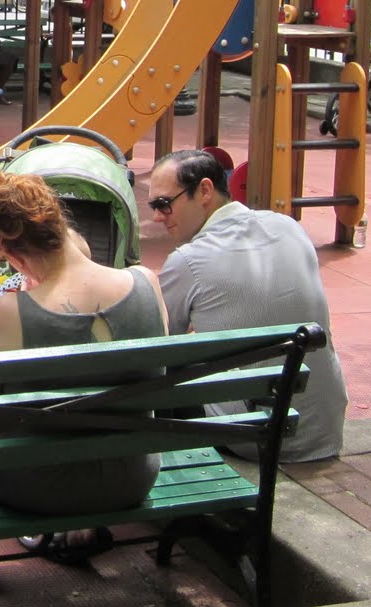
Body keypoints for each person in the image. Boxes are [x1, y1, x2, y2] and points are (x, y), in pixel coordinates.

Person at [0, 173, 169, 569]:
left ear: (11, 255)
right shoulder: (147, 283)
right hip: (132, 476)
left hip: (35, 486)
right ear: (62, 225)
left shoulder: (12, 311)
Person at [147, 149, 349, 462]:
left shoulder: (188, 260)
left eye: (164, 204)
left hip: (259, 438)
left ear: (205, 190)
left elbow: (156, 342)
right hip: (323, 428)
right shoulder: (289, 227)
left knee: (161, 367)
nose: (157, 216)